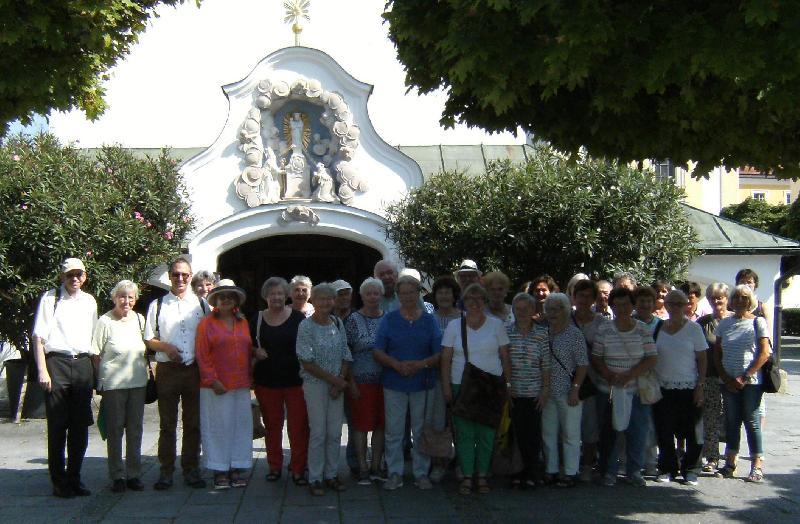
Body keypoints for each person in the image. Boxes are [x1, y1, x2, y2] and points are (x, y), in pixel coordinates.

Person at [33, 258, 98, 498]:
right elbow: (38, 338)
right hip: (57, 363)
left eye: (78, 274)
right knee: (58, 425)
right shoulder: (51, 299)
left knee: (80, 426)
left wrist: (96, 372)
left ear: (85, 276)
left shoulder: (89, 301)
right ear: (62, 276)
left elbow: (94, 339)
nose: (74, 278)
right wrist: (42, 370)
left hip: (82, 364)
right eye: (70, 274)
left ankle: (75, 477)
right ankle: (59, 480)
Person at [144, 256, 209, 490]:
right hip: (168, 371)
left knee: (194, 423)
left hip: (194, 370)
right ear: (169, 277)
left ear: (190, 277)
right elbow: (149, 338)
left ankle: (191, 469)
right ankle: (166, 471)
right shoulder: (158, 305)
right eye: (175, 274)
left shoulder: (202, 305)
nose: (180, 278)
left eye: (184, 274)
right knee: (167, 423)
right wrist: (166, 347)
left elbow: (211, 335)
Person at [373, 275, 442, 491]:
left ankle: (421, 472)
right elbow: (377, 350)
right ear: (398, 295)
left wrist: (421, 364)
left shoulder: (429, 320)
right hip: (394, 382)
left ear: (418, 294)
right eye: (403, 293)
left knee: (420, 429)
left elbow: (439, 352)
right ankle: (395, 472)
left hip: (422, 382)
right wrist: (395, 364)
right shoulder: (389, 319)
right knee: (394, 430)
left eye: (412, 292)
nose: (408, 297)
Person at [441, 283, 511, 495]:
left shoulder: (496, 324)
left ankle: (482, 475)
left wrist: (507, 385)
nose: (474, 303)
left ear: (485, 301)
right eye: (470, 299)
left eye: (479, 299)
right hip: (461, 384)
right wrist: (446, 387)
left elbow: (505, 357)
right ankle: (467, 475)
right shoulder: (454, 326)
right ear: (463, 302)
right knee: (464, 434)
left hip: (491, 385)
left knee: (487, 433)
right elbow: (446, 359)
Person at [592, 287, 657, 487]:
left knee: (637, 431)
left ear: (633, 305)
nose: (622, 308)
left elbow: (652, 357)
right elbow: (596, 357)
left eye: (626, 304)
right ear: (612, 306)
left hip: (636, 389)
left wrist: (629, 375)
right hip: (609, 389)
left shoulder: (642, 329)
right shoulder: (604, 329)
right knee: (610, 432)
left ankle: (634, 471)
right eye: (618, 304)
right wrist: (609, 375)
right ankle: (609, 471)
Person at [196, 280, 253, 490]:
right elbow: (202, 354)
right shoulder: (206, 323)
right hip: (216, 385)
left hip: (241, 382)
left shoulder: (243, 322)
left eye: (231, 296)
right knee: (218, 426)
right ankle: (220, 469)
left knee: (240, 426)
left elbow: (246, 349)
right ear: (216, 301)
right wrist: (212, 380)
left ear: (236, 300)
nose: (227, 299)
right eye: (222, 296)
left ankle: (237, 467)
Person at [296, 283, 353, 496]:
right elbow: (307, 361)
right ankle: (316, 477)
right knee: (319, 432)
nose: (325, 302)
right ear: (313, 300)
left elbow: (346, 354)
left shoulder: (337, 323)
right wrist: (335, 381)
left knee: (335, 432)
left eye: (329, 299)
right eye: (320, 298)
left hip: (336, 386)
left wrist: (340, 380)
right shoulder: (306, 326)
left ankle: (331, 474)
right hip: (315, 385)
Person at [251, 277, 308, 485]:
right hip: (267, 381)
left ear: (287, 296)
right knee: (272, 426)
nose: (276, 297)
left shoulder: (298, 319)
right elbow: (245, 344)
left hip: (296, 381)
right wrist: (255, 350)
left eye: (280, 294)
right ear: (266, 296)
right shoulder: (257, 318)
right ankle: (274, 466)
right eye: (272, 294)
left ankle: (298, 468)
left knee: (298, 427)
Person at [92, 280, 148, 493]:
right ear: (115, 297)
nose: (126, 301)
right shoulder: (105, 321)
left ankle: (133, 474)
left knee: (135, 429)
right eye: (122, 296)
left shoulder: (140, 320)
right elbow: (95, 355)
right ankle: (117, 475)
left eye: (130, 297)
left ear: (135, 299)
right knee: (114, 429)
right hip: (114, 384)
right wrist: (100, 382)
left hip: (137, 382)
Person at [714, 284, 771, 483]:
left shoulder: (758, 322)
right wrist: (726, 377)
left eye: (744, 298)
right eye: (736, 297)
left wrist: (744, 377)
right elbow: (717, 352)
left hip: (751, 382)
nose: (739, 301)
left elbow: (764, 353)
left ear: (751, 301)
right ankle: (730, 464)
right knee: (731, 422)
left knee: (752, 422)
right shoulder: (724, 323)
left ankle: (757, 466)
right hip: (728, 381)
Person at [651, 290, 707, 485]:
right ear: (665, 305)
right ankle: (667, 468)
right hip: (663, 386)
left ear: (686, 306)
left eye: (679, 304)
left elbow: (702, 358)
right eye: (671, 303)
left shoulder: (694, 329)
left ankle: (691, 469)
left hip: (689, 386)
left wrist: (700, 385)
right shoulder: (658, 327)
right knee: (664, 430)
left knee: (694, 432)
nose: (674, 307)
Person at [542, 293, 589, 487]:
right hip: (546, 392)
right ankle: (551, 470)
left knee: (570, 434)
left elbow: (582, 365)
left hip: (568, 391)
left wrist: (575, 389)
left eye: (556, 309)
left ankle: (570, 471)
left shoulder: (574, 334)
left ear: (566, 310)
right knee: (548, 433)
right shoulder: (543, 331)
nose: (551, 313)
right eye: (548, 309)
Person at [344, 277, 386, 484]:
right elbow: (347, 353)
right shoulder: (352, 320)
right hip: (360, 381)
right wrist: (350, 382)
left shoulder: (388, 319)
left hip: (385, 381)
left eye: (376, 293)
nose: (372, 297)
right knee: (360, 426)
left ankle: (376, 465)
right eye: (368, 293)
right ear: (361, 296)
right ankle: (362, 466)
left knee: (380, 425)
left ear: (381, 295)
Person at [505, 292, 549, 488]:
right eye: (518, 308)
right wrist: (507, 387)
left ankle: (532, 471)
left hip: (534, 392)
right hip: (514, 391)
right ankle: (517, 471)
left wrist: (545, 390)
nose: (522, 312)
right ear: (513, 310)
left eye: (526, 308)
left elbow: (545, 364)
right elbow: (503, 362)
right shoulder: (506, 332)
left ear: (533, 310)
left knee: (533, 434)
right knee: (516, 434)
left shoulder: (541, 333)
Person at [571, 279, 608, 482]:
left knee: (590, 426)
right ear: (574, 297)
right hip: (568, 379)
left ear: (594, 299)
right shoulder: (565, 318)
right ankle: (568, 463)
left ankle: (587, 464)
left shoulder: (602, 323)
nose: (584, 300)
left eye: (588, 296)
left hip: (593, 381)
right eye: (580, 295)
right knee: (568, 425)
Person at [697, 282, 732, 474]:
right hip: (710, 376)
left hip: (732, 377)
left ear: (727, 299)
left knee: (731, 418)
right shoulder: (703, 323)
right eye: (712, 297)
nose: (716, 301)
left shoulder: (735, 320)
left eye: (720, 297)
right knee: (710, 418)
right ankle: (711, 457)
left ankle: (730, 456)